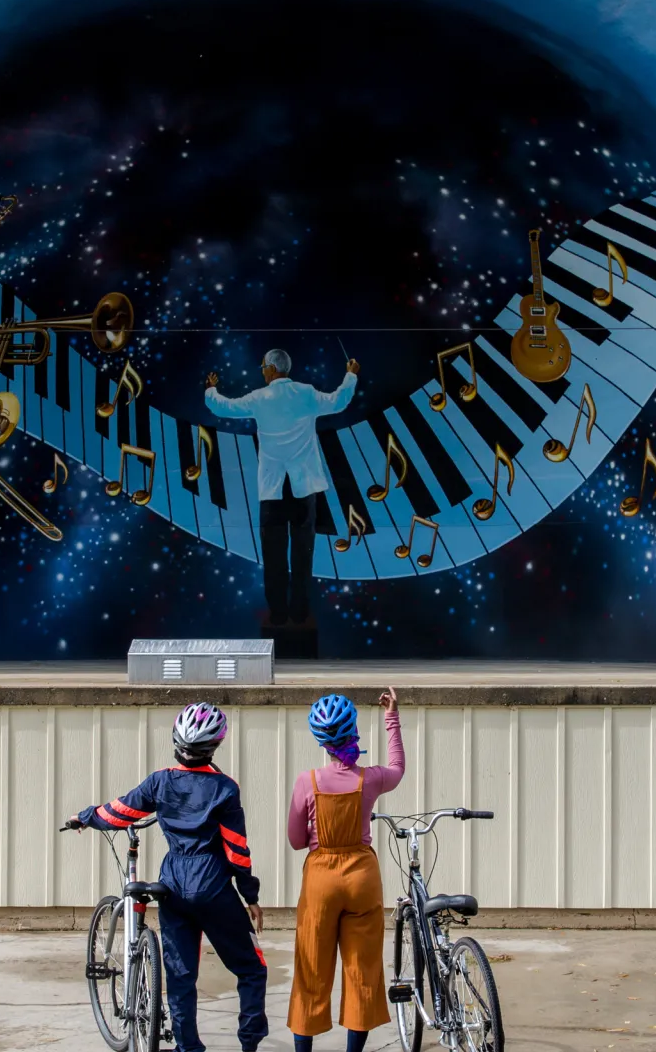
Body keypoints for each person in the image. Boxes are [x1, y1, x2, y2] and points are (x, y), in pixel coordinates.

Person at [65, 703, 269, 1052]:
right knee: (251, 969)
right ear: (215, 747)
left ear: (176, 743)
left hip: (172, 883)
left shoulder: (160, 781)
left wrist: (84, 817)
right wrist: (250, 897)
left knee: (180, 974)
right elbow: (237, 851)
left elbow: (119, 811)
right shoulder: (225, 789)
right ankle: (249, 1043)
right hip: (213, 886)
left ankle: (188, 1047)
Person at [286, 689, 404, 1052]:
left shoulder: (308, 782)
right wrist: (392, 718)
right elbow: (398, 767)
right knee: (362, 970)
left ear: (321, 741)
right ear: (353, 731)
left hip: (322, 878)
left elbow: (295, 841)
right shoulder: (370, 778)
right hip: (362, 878)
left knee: (311, 970)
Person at [205, 349, 359, 626]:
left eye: (263, 366)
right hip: (304, 489)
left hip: (272, 491)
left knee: (273, 557)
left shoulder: (258, 398)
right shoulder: (307, 393)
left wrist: (211, 390)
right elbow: (339, 401)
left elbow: (223, 407)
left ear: (273, 369)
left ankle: (277, 614)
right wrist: (350, 375)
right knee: (303, 555)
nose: (262, 370)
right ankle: (299, 612)